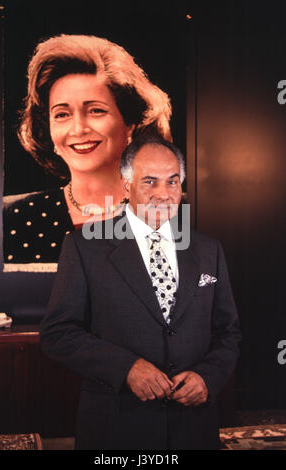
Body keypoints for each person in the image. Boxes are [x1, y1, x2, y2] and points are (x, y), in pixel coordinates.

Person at [40, 132, 241, 450]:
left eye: (172, 182)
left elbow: (228, 333)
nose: (164, 194)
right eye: (150, 181)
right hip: (117, 429)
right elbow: (57, 333)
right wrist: (126, 368)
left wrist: (208, 378)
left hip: (194, 429)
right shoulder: (84, 247)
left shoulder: (208, 250)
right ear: (126, 185)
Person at [3, 34, 172, 266]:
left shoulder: (174, 208)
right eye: (62, 114)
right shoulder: (12, 218)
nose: (78, 129)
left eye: (96, 111)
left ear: (130, 123)